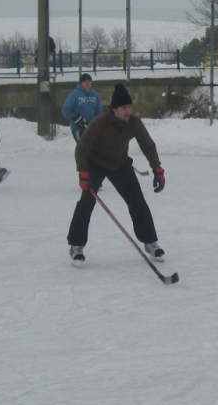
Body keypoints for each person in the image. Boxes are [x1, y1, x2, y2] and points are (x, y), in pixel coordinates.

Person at [67, 83, 166, 267]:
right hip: (95, 163)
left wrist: (157, 169)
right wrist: (83, 173)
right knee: (86, 202)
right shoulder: (100, 123)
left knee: (137, 201)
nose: (128, 111)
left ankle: (150, 242)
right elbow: (81, 148)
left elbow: (148, 145)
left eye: (129, 107)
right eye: (124, 108)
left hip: (120, 164)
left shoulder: (134, 122)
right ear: (114, 110)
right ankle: (76, 246)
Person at [62, 73, 103, 142]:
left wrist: (98, 122)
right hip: (78, 128)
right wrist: (76, 118)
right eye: (85, 81)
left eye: (89, 81)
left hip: (91, 127)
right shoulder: (74, 95)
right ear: (81, 83)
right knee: (83, 148)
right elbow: (65, 110)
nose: (88, 83)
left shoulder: (95, 96)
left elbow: (98, 112)